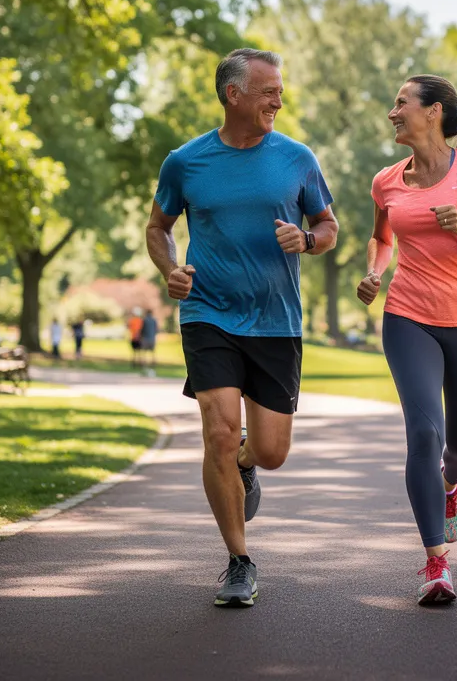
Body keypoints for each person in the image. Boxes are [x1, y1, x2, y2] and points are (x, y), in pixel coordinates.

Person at [145, 48, 338, 608]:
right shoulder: (185, 162)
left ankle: (248, 463)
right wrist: (170, 268)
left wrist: (307, 239)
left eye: (280, 91)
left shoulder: (297, 158)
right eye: (268, 91)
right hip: (208, 312)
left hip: (276, 319)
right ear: (233, 95)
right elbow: (158, 227)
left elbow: (327, 225)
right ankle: (239, 560)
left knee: (271, 451)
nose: (278, 101)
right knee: (219, 431)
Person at [356, 74, 457, 606]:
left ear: (433, 112)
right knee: (424, 435)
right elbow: (381, 238)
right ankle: (436, 563)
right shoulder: (386, 181)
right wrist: (375, 273)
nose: (392, 112)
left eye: (401, 102)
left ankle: (450, 484)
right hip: (409, 318)